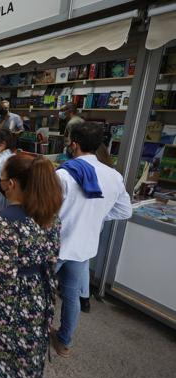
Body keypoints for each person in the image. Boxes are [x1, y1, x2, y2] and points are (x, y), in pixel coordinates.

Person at [0, 154, 63, 378]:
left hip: (10, 305)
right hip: (39, 296)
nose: (1, 182)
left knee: (2, 360)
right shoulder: (51, 216)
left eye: (3, 177)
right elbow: (52, 258)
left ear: (12, 184)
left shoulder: (4, 221)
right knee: (30, 357)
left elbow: (0, 277)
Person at [51, 122, 132, 358]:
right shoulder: (113, 176)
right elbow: (125, 211)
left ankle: (34, 333)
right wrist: (97, 215)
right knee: (71, 296)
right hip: (83, 248)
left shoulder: (63, 174)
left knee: (41, 292)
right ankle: (64, 342)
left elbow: (47, 211)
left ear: (73, 144)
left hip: (55, 247)